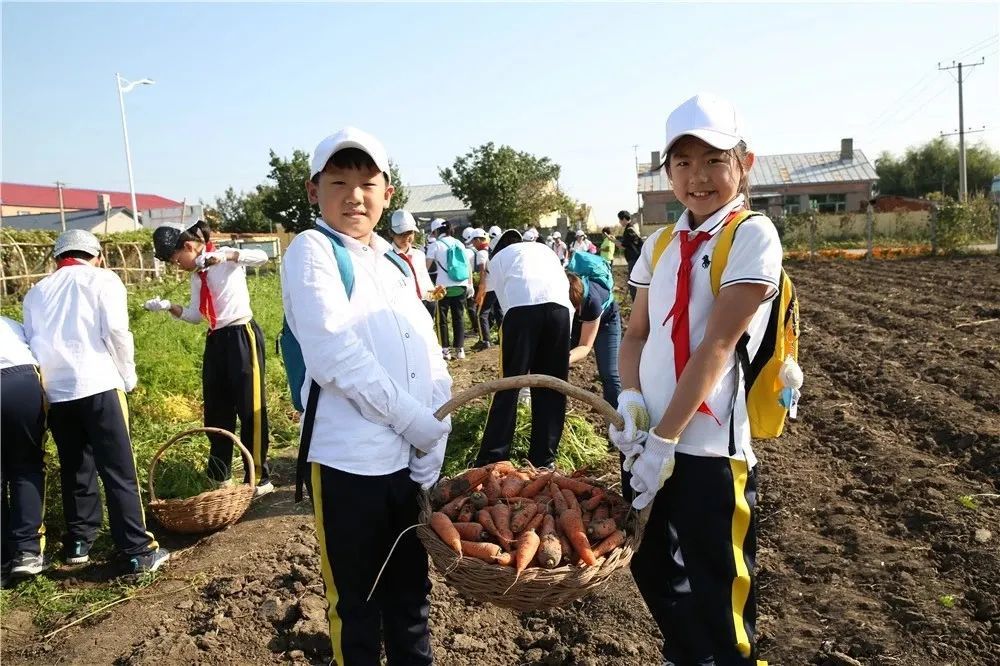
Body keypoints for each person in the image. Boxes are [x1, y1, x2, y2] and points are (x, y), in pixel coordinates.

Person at [611, 92, 780, 665]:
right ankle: (688, 656)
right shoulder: (660, 244)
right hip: (647, 444)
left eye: (713, 160)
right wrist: (631, 399)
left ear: (745, 163)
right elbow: (636, 334)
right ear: (668, 171)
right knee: (649, 563)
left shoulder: (750, 234)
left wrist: (667, 439)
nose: (697, 177)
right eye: (683, 162)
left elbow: (718, 344)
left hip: (709, 452)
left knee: (720, 591)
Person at [281, 127, 450, 666]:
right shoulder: (313, 250)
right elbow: (332, 353)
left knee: (411, 596)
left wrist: (436, 432)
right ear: (314, 191)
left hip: (407, 463)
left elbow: (428, 349)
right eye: (339, 183)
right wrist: (411, 420)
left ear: (388, 193)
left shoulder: (394, 262)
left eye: (367, 183)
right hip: (350, 465)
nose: (354, 196)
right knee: (355, 605)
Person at [22, 230, 168, 574]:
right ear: (97, 256)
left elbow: (32, 341)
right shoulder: (103, 279)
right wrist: (128, 376)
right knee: (118, 469)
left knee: (75, 467)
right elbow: (116, 332)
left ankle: (78, 542)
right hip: (100, 383)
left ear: (56, 259)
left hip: (56, 392)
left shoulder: (36, 292)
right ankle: (137, 550)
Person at [148, 220, 273, 497]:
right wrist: (170, 307)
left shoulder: (224, 258)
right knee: (217, 409)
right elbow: (196, 315)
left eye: (176, 258)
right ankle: (220, 475)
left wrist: (226, 256)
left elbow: (262, 257)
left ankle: (259, 477)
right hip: (216, 339)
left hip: (241, 334)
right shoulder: (197, 276)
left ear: (189, 246)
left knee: (249, 406)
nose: (177, 265)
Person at [474, 230, 571, 469]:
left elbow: (489, 298)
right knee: (551, 386)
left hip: (522, 312)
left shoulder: (497, 259)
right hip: (560, 312)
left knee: (509, 385)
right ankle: (543, 459)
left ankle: (493, 458)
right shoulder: (543, 249)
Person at [1, 316, 48, 582]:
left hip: (17, 374)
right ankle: (27, 551)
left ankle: (2, 560)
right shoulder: (10, 324)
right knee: (26, 466)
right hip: (19, 379)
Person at [566, 272, 621, 408]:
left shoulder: (592, 302)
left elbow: (585, 346)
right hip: (580, 318)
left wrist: (563, 359)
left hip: (606, 323)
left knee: (610, 375)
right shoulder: (560, 293)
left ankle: (616, 416)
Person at [429, 219, 470, 360]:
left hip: (442, 287)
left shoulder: (435, 245)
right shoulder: (459, 243)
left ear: (436, 231)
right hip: (461, 284)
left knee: (441, 319)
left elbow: (425, 267)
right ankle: (460, 349)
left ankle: (445, 350)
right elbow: (467, 265)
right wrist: (469, 284)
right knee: (458, 317)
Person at [389, 209, 437, 318]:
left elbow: (424, 279)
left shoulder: (419, 255)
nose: (406, 237)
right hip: (404, 308)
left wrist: (434, 294)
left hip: (426, 303)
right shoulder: (386, 257)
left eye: (410, 232)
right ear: (391, 233)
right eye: (401, 234)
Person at [469, 229, 495, 350]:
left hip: (487, 286)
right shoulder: (491, 250)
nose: (473, 244)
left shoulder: (481, 253)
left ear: (478, 240)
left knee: (481, 314)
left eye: (474, 241)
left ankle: (485, 340)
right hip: (495, 286)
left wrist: (481, 287)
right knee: (496, 312)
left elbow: (482, 271)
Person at [618, 210, 643, 301]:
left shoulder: (629, 230)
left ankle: (636, 301)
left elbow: (623, 245)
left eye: (620, 220)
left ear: (624, 219)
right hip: (636, 258)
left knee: (633, 282)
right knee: (635, 280)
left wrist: (612, 240)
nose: (620, 222)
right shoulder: (632, 228)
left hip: (633, 259)